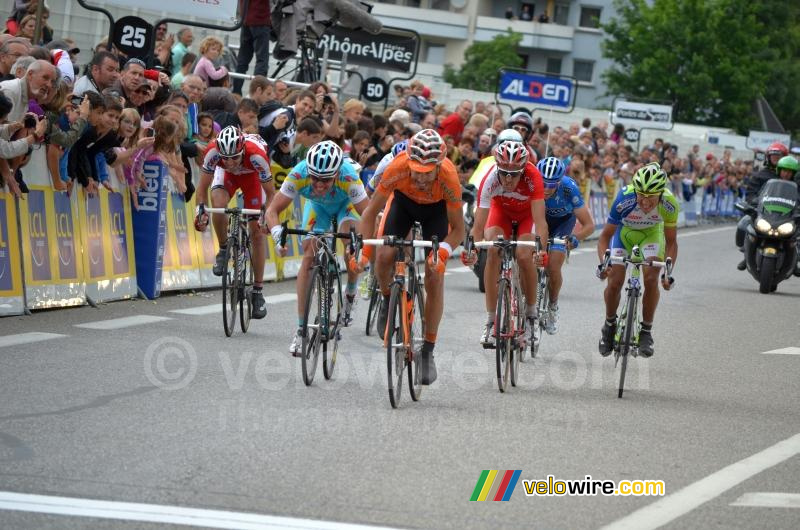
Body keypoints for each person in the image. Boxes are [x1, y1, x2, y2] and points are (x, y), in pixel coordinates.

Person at [353, 129, 465, 385]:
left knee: (435, 274)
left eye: (427, 173)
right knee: (384, 255)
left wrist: (443, 253)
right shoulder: (397, 167)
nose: (420, 177)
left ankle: (427, 349)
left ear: (438, 167)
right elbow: (370, 212)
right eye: (415, 170)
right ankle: (385, 299)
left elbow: (459, 230)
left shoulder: (448, 177)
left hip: (435, 211)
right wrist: (364, 253)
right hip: (403, 204)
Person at [266, 141, 370, 355]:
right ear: (308, 171)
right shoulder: (299, 173)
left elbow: (368, 216)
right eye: (315, 178)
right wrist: (278, 237)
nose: (320, 185)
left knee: (350, 242)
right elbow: (272, 211)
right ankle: (301, 329)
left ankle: (350, 292)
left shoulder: (348, 177)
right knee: (309, 255)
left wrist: (364, 251)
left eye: (326, 180)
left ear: (337, 174)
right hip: (318, 208)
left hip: (346, 206)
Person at [462, 139, 548, 349]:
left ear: (523, 170)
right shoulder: (490, 178)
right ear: (497, 168)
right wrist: (471, 248)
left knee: (524, 255)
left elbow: (540, 221)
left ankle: (530, 315)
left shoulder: (533, 176)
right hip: (501, 214)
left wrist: (542, 250)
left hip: (527, 216)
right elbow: (479, 224)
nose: (508, 179)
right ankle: (491, 321)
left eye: (514, 174)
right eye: (504, 173)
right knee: (492, 250)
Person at [194, 126, 276, 319]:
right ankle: (223, 249)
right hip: (226, 178)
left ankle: (257, 291)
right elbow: (202, 188)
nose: (230, 162)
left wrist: (266, 217)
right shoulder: (213, 152)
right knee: (219, 203)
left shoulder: (256, 155)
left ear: (243, 151)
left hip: (252, 178)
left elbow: (271, 194)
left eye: (235, 157)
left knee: (256, 231)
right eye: (226, 158)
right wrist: (200, 212)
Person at [596, 163, 678, 358]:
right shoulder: (625, 197)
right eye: (641, 194)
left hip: (651, 236)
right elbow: (604, 237)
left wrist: (668, 273)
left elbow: (672, 242)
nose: (645, 201)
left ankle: (646, 331)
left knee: (651, 279)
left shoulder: (669, 203)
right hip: (624, 235)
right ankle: (609, 325)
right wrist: (603, 263)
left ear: (661, 193)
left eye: (651, 196)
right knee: (614, 282)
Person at [536, 157, 595, 334]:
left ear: (560, 181)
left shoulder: (569, 189)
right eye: (543, 183)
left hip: (563, 224)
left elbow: (589, 225)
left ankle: (553, 306)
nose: (546, 189)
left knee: (553, 267)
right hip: (539, 222)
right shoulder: (531, 185)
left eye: (552, 185)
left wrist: (575, 238)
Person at [736, 142, 789, 270]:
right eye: (773, 156)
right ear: (768, 157)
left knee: (797, 231)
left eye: (779, 156)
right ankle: (746, 254)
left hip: (785, 214)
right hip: (763, 212)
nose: (775, 158)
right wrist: (753, 203)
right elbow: (750, 192)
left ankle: (795, 259)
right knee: (744, 223)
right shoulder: (760, 175)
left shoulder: (790, 175)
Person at [233, 0, 271, 95]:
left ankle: (236, 93)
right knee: (262, 60)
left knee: (242, 61)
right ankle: (257, 94)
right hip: (260, 19)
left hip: (245, 20)